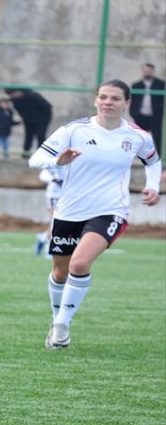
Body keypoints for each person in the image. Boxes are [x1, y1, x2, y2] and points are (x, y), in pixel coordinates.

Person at [28, 79, 160, 350]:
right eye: (103, 97)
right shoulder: (74, 130)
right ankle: (56, 320)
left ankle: (63, 325)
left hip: (111, 210)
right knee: (60, 272)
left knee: (79, 265)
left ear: (127, 103)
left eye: (115, 98)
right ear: (96, 100)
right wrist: (57, 160)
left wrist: (153, 187)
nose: (108, 102)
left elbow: (153, 161)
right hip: (69, 210)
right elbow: (35, 159)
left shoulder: (138, 136)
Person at [6, 87, 52, 158]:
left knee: (40, 136)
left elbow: (47, 106)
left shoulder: (33, 96)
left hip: (42, 120)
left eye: (14, 94)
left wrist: (42, 119)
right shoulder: (15, 100)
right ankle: (25, 154)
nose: (13, 96)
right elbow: (20, 111)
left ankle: (41, 155)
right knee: (28, 137)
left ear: (19, 91)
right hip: (29, 121)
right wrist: (26, 118)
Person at [129, 63, 164, 154]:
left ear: (153, 71)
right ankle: (139, 155)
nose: (147, 72)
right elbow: (132, 99)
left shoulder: (161, 84)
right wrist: (133, 113)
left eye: (149, 70)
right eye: (145, 70)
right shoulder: (137, 85)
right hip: (140, 115)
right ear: (142, 71)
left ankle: (158, 156)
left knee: (157, 137)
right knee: (139, 137)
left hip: (156, 116)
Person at [34, 166, 64, 256]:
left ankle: (43, 237)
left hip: (67, 196)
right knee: (55, 220)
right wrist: (54, 179)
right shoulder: (54, 163)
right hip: (54, 195)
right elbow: (43, 175)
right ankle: (50, 249)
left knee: (61, 222)